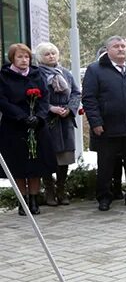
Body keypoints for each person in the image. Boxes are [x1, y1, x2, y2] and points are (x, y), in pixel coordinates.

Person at [82, 35, 126, 211]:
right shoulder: (95, 69)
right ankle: (104, 197)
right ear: (108, 50)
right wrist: (96, 122)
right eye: (116, 46)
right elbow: (89, 99)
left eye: (123, 46)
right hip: (107, 127)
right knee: (106, 164)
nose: (121, 49)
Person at [0, 43, 57, 215]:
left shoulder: (36, 74)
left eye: (26, 57)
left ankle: (34, 199)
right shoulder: (4, 76)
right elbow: (2, 101)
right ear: (12, 59)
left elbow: (45, 97)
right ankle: (22, 201)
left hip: (36, 126)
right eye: (20, 57)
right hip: (14, 126)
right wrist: (22, 116)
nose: (24, 60)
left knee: (35, 165)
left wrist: (38, 116)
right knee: (19, 166)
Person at [36, 43, 81, 206]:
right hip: (48, 120)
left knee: (65, 157)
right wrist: (50, 108)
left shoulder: (66, 73)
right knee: (48, 156)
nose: (51, 56)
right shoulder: (37, 74)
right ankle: (49, 191)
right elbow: (35, 97)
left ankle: (61, 189)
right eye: (47, 54)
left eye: (53, 53)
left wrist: (70, 108)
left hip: (65, 120)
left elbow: (76, 92)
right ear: (40, 57)